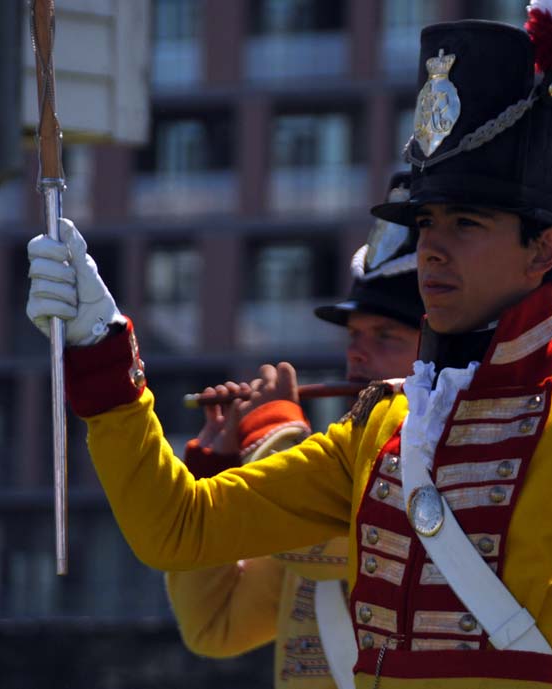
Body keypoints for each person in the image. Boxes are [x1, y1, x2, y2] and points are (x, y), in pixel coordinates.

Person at [26, 11, 552, 688]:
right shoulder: (382, 425)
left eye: (465, 224)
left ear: (543, 250)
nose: (432, 251)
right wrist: (100, 344)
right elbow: (178, 527)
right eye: (428, 222)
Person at [164, 174, 423, 689]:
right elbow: (215, 626)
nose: (356, 353)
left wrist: (273, 431)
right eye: (354, 336)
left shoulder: (449, 453)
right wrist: (213, 476)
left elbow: (326, 537)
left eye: (386, 336)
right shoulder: (333, 465)